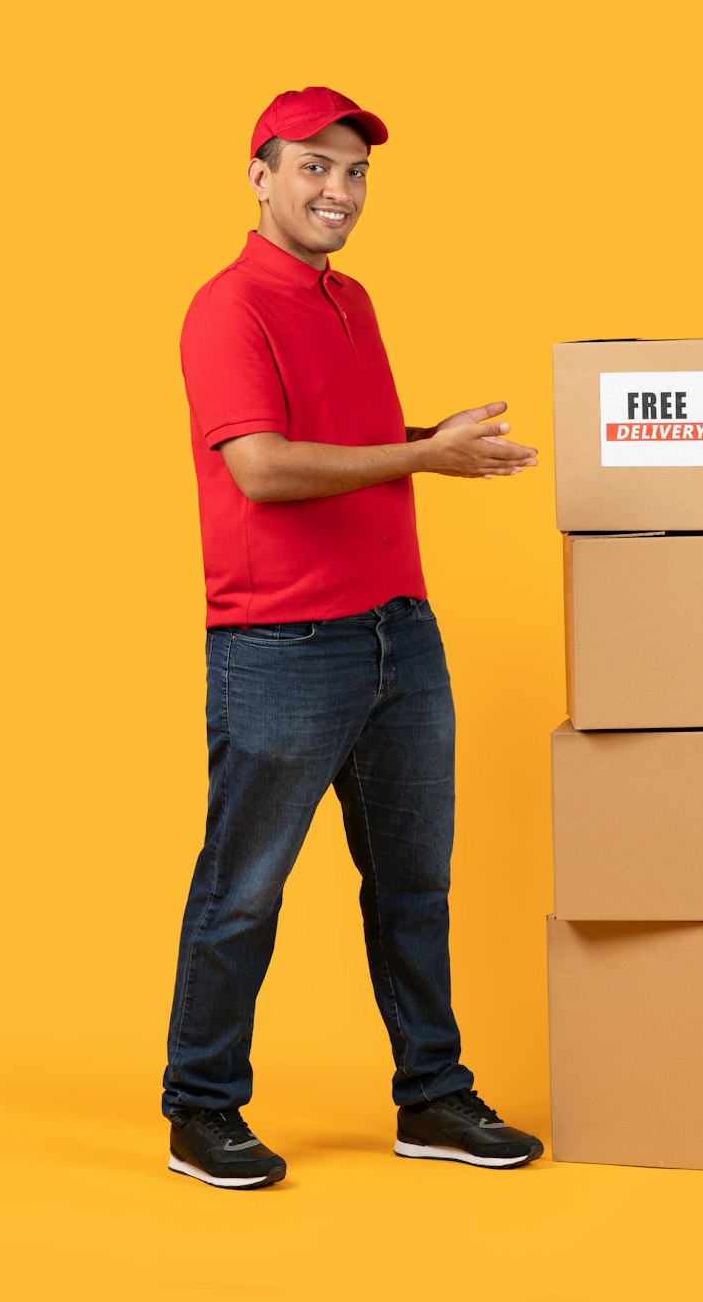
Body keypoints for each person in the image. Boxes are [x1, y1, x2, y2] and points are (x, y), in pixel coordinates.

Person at [163, 86, 544, 1190]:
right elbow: (264, 466)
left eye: (356, 173)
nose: (339, 191)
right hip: (281, 645)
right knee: (242, 889)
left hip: (397, 636)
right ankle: (200, 1108)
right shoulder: (225, 308)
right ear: (261, 176)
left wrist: (435, 440)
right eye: (316, 169)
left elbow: (353, 441)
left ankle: (430, 1094)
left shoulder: (351, 299)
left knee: (412, 884)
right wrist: (419, 461)